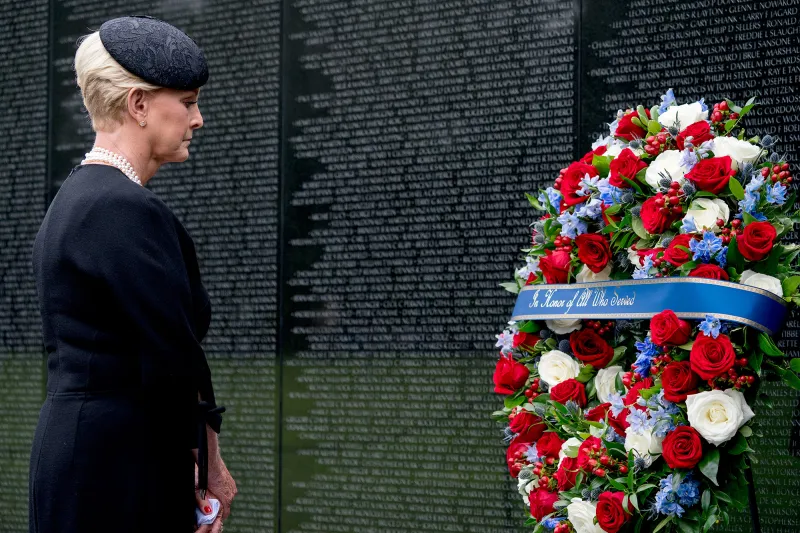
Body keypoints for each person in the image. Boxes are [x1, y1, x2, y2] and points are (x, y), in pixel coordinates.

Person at [29, 16, 236, 533]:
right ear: (138, 105)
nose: (199, 119)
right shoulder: (124, 208)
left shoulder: (75, 199)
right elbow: (174, 355)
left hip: (82, 452)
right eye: (187, 102)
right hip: (119, 467)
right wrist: (211, 467)